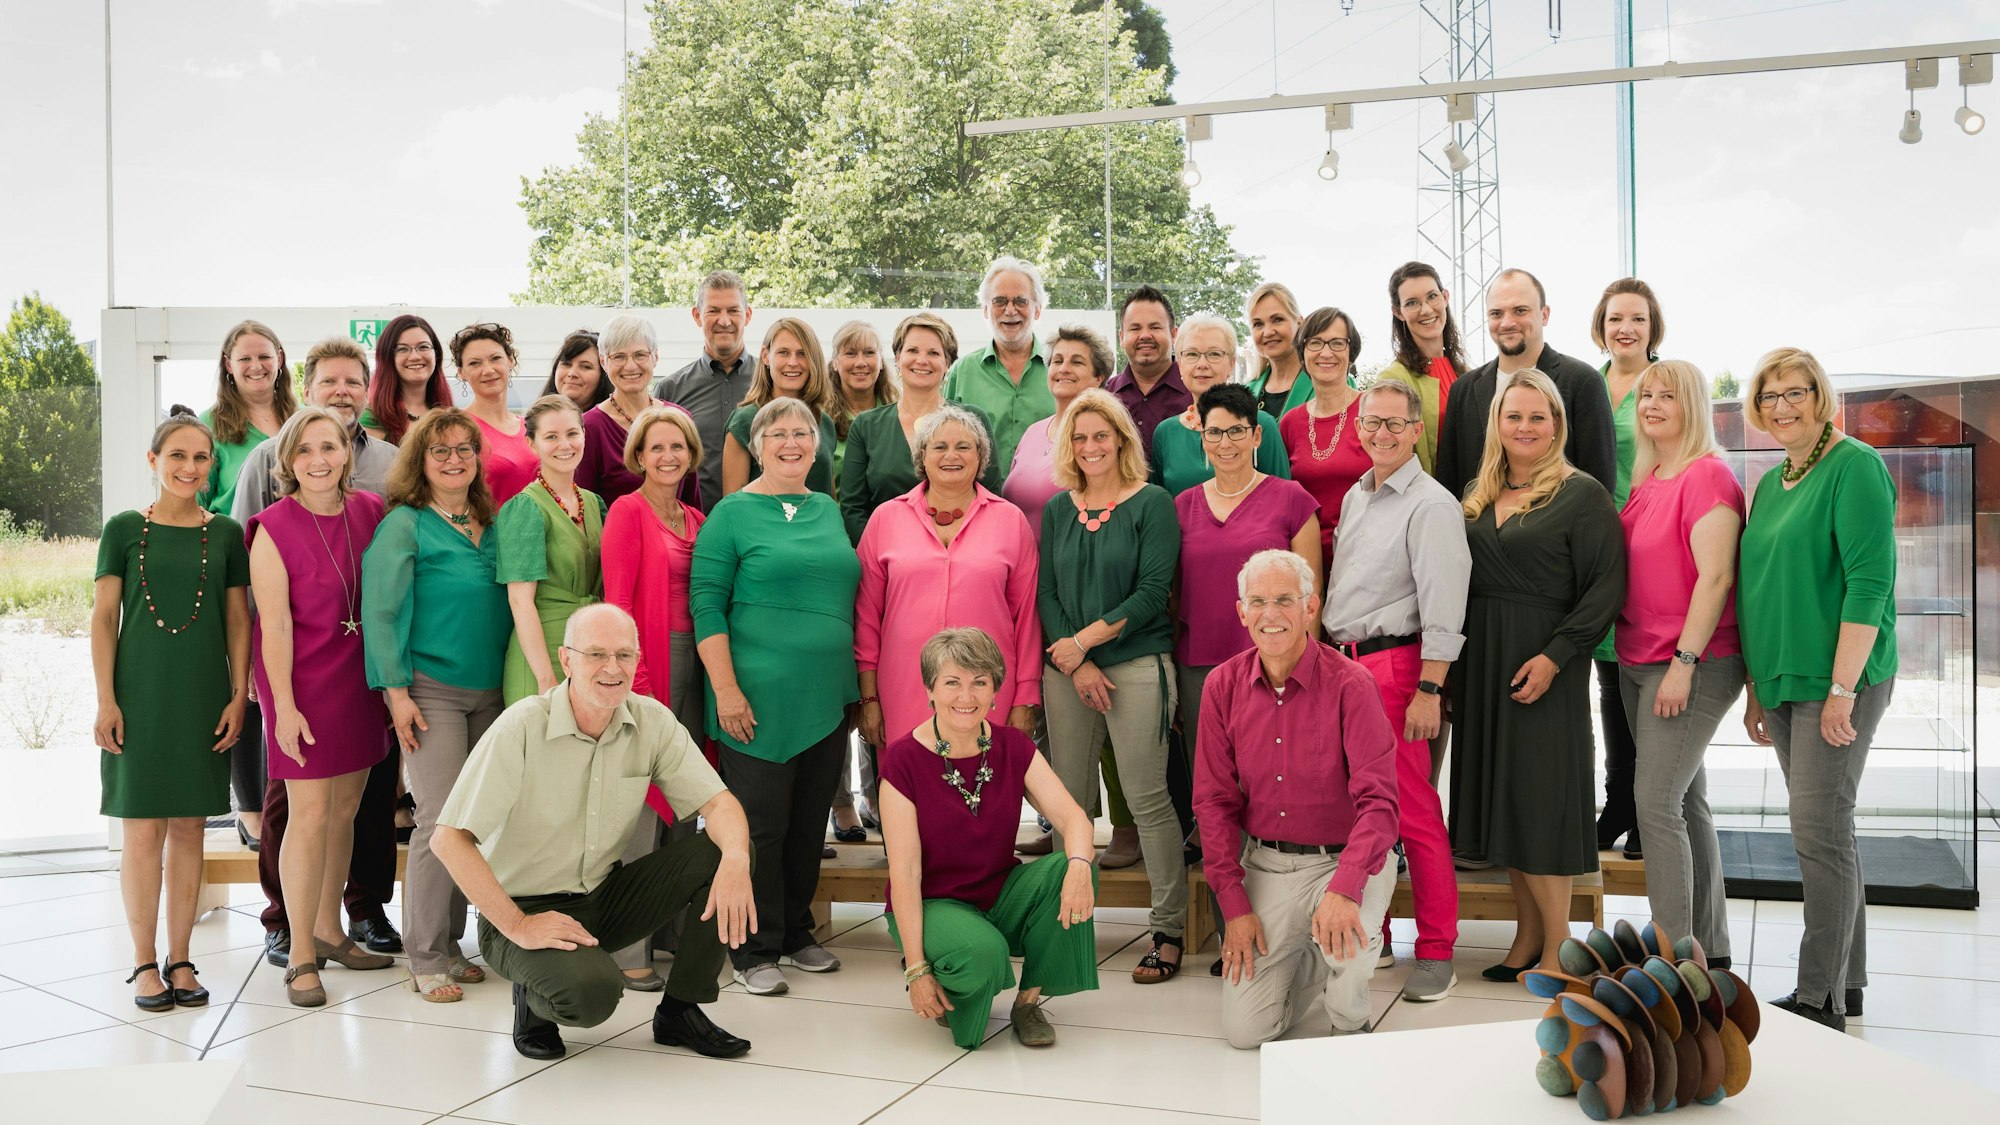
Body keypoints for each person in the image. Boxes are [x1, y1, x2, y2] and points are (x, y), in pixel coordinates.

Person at [432, 604, 758, 1061]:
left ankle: (681, 1010)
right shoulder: (523, 726)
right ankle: (533, 997)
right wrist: (519, 926)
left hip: (603, 898)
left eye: (625, 655)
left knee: (727, 852)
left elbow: (720, 804)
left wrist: (737, 863)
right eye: (596, 654)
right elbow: (447, 838)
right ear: (566, 660)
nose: (612, 668)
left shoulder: (652, 721)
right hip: (520, 910)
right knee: (593, 997)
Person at [1738, 347, 1898, 1031]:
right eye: (1768, 396)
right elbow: (1760, 587)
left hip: (1839, 680)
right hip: (1782, 678)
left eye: (1793, 393)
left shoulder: (1855, 466)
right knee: (1832, 831)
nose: (1780, 406)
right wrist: (1755, 686)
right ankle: (1848, 983)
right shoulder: (1772, 482)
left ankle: (1817, 998)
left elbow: (1870, 583)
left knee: (1817, 832)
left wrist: (1843, 687)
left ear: (1820, 395)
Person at [1448, 370, 1625, 979]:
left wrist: (1556, 656)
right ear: (1496, 423)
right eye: (1513, 416)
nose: (1524, 428)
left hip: (1543, 663)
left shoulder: (1582, 494)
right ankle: (1526, 939)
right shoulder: (1480, 491)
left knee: (1543, 804)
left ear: (1557, 425)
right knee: (1511, 804)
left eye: (1537, 417)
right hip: (1483, 662)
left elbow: (1606, 588)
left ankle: (1560, 948)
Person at [233, 338, 404, 964]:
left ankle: (332, 931)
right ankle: (301, 952)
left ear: (346, 452)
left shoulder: (370, 510)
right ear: (288, 459)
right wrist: (283, 705)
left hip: (358, 681)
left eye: (328, 445)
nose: (318, 457)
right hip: (302, 684)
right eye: (304, 448)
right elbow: (271, 627)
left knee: (346, 813)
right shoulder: (272, 527)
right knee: (307, 817)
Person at [691, 397, 861, 995]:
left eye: (803, 434)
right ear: (758, 444)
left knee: (808, 823)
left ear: (818, 447)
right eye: (779, 433)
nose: (793, 443)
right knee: (757, 827)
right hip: (753, 700)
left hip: (826, 698)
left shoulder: (829, 511)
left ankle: (794, 933)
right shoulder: (731, 515)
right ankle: (750, 949)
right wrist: (726, 689)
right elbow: (706, 605)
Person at [1196, 550, 1399, 1047]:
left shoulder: (1352, 684)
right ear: (1242, 612)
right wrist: (1234, 905)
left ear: (1310, 607)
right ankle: (1311, 947)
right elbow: (1214, 803)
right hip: (1267, 863)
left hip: (1349, 859)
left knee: (1348, 946)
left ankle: (1349, 1015)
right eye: (1258, 601)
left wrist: (1345, 887)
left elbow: (1380, 805)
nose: (1271, 614)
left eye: (1285, 599)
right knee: (1245, 1033)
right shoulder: (1221, 686)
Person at [92, 409, 251, 1011]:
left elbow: (239, 621)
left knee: (189, 829)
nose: (189, 467)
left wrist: (239, 694)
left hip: (204, 696)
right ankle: (142, 962)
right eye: (177, 456)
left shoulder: (228, 534)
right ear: (154, 462)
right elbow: (105, 619)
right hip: (138, 696)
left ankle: (181, 958)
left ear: (212, 465)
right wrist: (106, 699)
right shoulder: (124, 528)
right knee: (141, 832)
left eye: (200, 457)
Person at [881, 628, 1100, 1050]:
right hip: (932, 903)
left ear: (995, 689)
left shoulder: (1013, 746)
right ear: (930, 689)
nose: (967, 695)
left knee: (1072, 869)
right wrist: (915, 968)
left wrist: (1078, 865)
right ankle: (956, 974)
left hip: (998, 892)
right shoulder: (904, 760)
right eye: (952, 682)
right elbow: (905, 872)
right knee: (983, 954)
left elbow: (1074, 818)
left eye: (979, 682)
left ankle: (1028, 1002)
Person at [1323, 380, 1469, 1003]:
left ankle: (1436, 950)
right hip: (1346, 666)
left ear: (1415, 431)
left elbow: (1444, 605)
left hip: (1398, 668)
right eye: (1371, 423)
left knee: (1412, 811)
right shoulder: (1359, 496)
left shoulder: (1431, 506)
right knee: (1361, 809)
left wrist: (1430, 688)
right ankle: (1376, 934)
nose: (1381, 433)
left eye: (1394, 424)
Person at [361, 408, 512, 1003]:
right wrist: (397, 694)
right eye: (440, 451)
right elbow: (382, 613)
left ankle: (452, 943)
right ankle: (424, 955)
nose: (454, 459)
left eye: (464, 449)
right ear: (420, 462)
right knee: (439, 820)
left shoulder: (490, 519)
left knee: (473, 822)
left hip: (493, 691)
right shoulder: (405, 524)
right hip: (431, 691)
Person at [1038, 389, 1187, 981]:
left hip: (1137, 666)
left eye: (1102, 435)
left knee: (1147, 798)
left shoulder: (1152, 503)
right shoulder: (1056, 509)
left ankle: (1168, 931)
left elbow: (1152, 594)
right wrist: (1075, 661)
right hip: (1069, 670)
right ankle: (1064, 927)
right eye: (1080, 437)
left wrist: (1086, 644)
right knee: (1065, 801)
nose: (1091, 446)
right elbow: (1045, 593)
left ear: (1123, 441)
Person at [1615, 359, 1745, 972]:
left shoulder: (1708, 476)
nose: (1652, 404)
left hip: (1689, 664)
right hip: (1638, 659)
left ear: (1693, 404)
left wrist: (1685, 662)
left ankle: (1670, 965)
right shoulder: (1650, 478)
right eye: (1646, 395)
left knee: (1656, 807)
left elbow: (1716, 577)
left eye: (1667, 395)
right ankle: (1707, 953)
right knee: (1686, 804)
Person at [856, 404, 1040, 753]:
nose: (950, 455)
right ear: (922, 456)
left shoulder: (1011, 521)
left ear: (981, 456)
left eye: (963, 447)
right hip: (903, 691)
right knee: (906, 800)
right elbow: (866, 618)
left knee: (986, 797)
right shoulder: (885, 519)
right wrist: (868, 700)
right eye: (939, 447)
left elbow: (1027, 619)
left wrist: (1025, 699)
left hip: (990, 694)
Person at [601, 404, 709, 985]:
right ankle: (629, 952)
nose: (668, 457)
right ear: (638, 456)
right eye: (656, 447)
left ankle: (670, 933)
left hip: (697, 668)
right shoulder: (627, 511)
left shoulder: (697, 517)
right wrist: (633, 686)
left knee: (685, 801)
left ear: (691, 455)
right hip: (650, 670)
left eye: (678, 447)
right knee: (641, 813)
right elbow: (617, 603)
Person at [1173, 382, 1321, 800]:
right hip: (1199, 664)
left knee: (1275, 773)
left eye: (1236, 431)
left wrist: (1311, 668)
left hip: (1275, 660)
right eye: (1214, 432)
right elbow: (1173, 594)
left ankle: (1274, 863)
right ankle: (1219, 861)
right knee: (1213, 778)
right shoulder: (1181, 506)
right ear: (1202, 438)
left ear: (1256, 436)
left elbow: (1313, 597)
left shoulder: (1292, 499)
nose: (1226, 443)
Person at [202, 321, 296, 850]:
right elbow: (197, 500)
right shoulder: (214, 427)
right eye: (245, 359)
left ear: (280, 359)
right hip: (233, 569)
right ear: (228, 366)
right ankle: (252, 811)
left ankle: (283, 795)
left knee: (282, 681)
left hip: (295, 570)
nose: (257, 367)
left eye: (264, 356)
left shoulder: (300, 419)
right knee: (246, 686)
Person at [1589, 278, 1665, 861]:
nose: (1626, 329)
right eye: (1616, 318)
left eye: (1636, 319)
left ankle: (1648, 805)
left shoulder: (1663, 384)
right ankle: (1618, 799)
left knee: (1648, 676)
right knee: (1609, 679)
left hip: (1650, 542)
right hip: (1598, 544)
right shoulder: (1588, 384)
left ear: (1652, 326)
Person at [1433, 269, 1617, 501]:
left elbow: (1600, 485)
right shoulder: (1464, 390)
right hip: (1475, 534)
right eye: (1496, 313)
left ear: (1544, 315)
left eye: (1520, 311)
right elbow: (1449, 484)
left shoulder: (1583, 382)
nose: (1507, 322)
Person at [841, 313, 999, 543]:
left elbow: (991, 498)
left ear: (947, 364)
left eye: (933, 353)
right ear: (897, 358)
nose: (922, 360)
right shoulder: (866, 426)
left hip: (964, 558)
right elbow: (853, 509)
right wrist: (883, 557)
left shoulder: (974, 420)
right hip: (888, 561)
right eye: (912, 351)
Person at [497, 396, 605, 705]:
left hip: (586, 648)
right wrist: (545, 678)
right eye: (551, 437)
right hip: (542, 654)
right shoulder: (525, 507)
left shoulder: (594, 503)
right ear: (532, 444)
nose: (565, 444)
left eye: (572, 433)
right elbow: (520, 600)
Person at [1150, 313, 1291, 495]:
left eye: (1214, 354)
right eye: (1192, 354)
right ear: (1180, 365)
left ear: (1231, 364)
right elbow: (1161, 506)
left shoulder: (1260, 424)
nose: (1202, 364)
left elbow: (1284, 500)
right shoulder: (1165, 433)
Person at [654, 270, 757, 511]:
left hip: (761, 527)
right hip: (690, 527)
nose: (724, 320)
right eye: (713, 311)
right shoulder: (670, 390)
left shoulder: (771, 381)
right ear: (697, 315)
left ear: (747, 315)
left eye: (733, 310)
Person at [944, 256, 1054, 476]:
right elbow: (947, 442)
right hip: (978, 505)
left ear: (1038, 310)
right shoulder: (962, 372)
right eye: (999, 301)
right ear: (986, 310)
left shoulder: (1060, 370)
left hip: (1048, 506)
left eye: (1021, 301)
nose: (1010, 310)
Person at [577, 314, 700, 509]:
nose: (631, 366)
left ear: (655, 357)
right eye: (619, 356)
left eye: (640, 355)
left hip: (676, 539)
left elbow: (691, 504)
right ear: (603, 362)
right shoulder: (590, 428)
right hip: (616, 538)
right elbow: (585, 510)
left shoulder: (680, 419)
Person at [1278, 306, 1371, 561]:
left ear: (1351, 351)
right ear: (1303, 351)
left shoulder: (1373, 413)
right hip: (1305, 561)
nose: (1326, 352)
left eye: (1337, 343)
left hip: (1367, 559)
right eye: (1315, 342)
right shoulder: (1289, 423)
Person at [1002, 325, 1113, 533]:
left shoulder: (1102, 440)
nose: (1064, 369)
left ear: (1099, 377)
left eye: (1077, 362)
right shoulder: (1033, 432)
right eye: (1058, 361)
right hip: (1020, 562)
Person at [721, 318, 838, 497]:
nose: (793, 362)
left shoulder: (824, 423)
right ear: (766, 356)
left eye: (802, 353)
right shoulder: (744, 421)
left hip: (815, 524)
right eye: (783, 352)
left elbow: (828, 499)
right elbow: (733, 505)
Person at [1373, 261, 1469, 476]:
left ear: (1445, 297)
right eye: (1412, 303)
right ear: (1398, 313)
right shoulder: (1394, 379)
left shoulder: (1466, 372)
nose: (1426, 310)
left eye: (1432, 296)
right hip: (1431, 501)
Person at [450, 322, 538, 505]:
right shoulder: (456, 428)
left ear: (510, 361)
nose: (488, 370)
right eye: (475, 363)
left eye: (495, 358)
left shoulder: (530, 426)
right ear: (461, 373)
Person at [1103, 286, 1188, 453]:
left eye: (1155, 327)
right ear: (1121, 337)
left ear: (1173, 334)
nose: (1145, 335)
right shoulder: (1105, 396)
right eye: (1135, 328)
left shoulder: (1196, 393)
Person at [826, 319, 899, 486]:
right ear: (836, 362)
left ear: (881, 361)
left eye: (869, 353)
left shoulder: (900, 414)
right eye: (850, 353)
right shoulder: (819, 419)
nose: (860, 362)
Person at [362, 314, 452, 445]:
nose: (415, 356)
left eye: (423, 347)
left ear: (436, 354)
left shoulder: (448, 413)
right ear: (388, 358)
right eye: (403, 349)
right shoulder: (372, 419)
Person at [1243, 282, 1313, 420]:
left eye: (1277, 320)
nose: (1268, 332)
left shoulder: (1330, 382)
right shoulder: (1245, 392)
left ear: (1299, 322)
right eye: (1258, 324)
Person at [540, 328, 610, 411]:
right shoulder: (532, 421)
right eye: (566, 364)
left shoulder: (611, 422)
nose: (572, 373)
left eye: (585, 366)